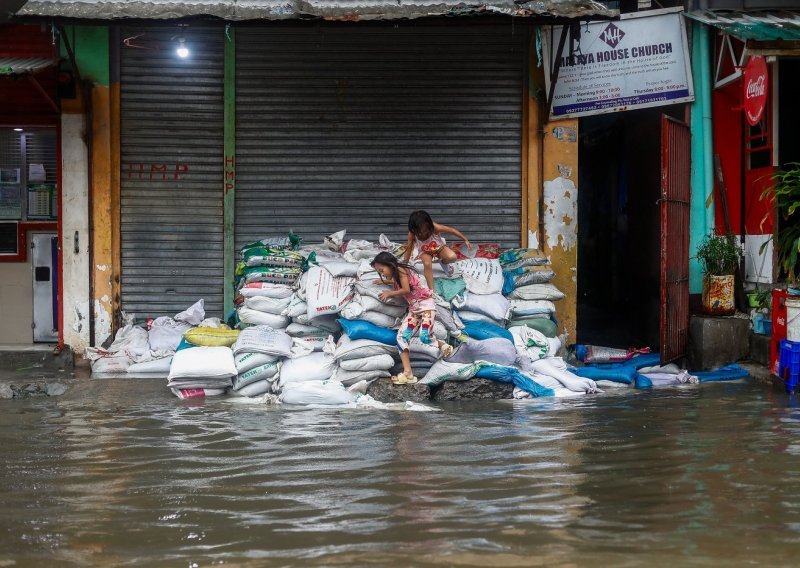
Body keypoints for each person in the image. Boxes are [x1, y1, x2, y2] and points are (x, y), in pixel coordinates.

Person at [371, 251, 453, 385]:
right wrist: (384, 281)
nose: (382, 273)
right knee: (401, 337)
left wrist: (390, 292)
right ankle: (408, 372)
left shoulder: (402, 270)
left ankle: (442, 344)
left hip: (426, 306)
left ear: (390, 264)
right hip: (414, 310)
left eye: (382, 270)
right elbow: (397, 281)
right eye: (379, 272)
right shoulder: (397, 274)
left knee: (425, 336)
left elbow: (406, 290)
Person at [402, 210, 470, 291]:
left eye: (426, 230)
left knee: (452, 257)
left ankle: (443, 262)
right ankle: (432, 290)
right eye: (420, 232)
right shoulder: (412, 234)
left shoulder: (435, 227)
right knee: (427, 264)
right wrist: (404, 264)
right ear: (414, 230)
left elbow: (452, 230)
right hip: (425, 252)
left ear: (429, 225)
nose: (423, 233)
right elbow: (409, 249)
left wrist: (465, 239)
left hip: (439, 248)